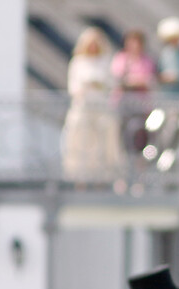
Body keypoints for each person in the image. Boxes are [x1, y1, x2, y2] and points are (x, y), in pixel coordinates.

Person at [61, 26, 123, 179]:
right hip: (83, 108)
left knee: (103, 143)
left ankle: (103, 176)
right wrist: (85, 86)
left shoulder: (105, 62)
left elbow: (112, 84)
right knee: (80, 142)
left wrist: (99, 84)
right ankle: (79, 176)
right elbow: (73, 87)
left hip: (101, 107)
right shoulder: (78, 62)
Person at [111, 29, 156, 155]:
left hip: (141, 104)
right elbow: (119, 78)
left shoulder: (146, 60)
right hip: (123, 103)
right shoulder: (121, 58)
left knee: (140, 133)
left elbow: (149, 80)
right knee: (122, 133)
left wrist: (133, 81)